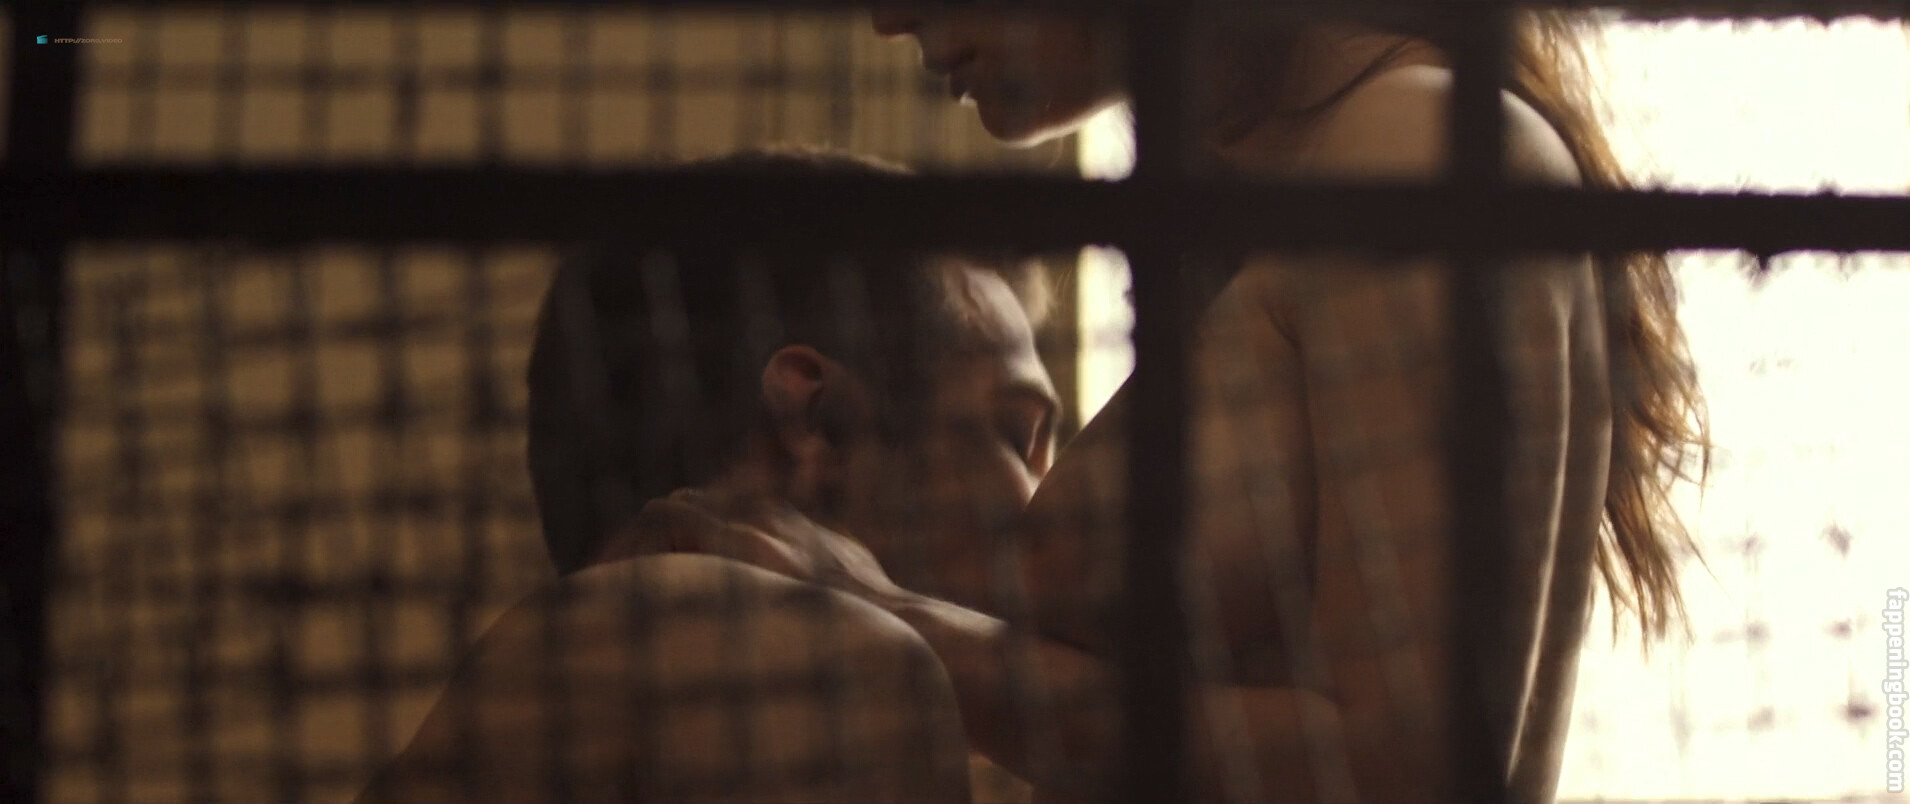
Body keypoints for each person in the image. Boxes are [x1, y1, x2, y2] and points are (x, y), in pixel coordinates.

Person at [662, 8, 1712, 804]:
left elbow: (1417, 771)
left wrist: (889, 625)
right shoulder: (1242, 210)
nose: (887, 17)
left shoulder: (1416, 146)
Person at [355, 148, 1064, 803]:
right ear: (821, 422)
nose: (1055, 497)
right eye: (1018, 434)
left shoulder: (579, 662)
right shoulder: (813, 662)